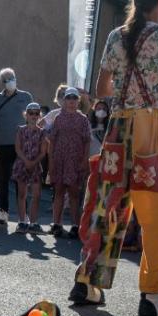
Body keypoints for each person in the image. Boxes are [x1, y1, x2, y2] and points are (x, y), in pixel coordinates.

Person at [70, 0, 158, 316]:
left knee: (109, 204)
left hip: (118, 127)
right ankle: (153, 295)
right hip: (152, 127)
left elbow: (102, 88)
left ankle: (88, 281)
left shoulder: (116, 36)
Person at [0, 68, 33, 225]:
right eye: (6, 80)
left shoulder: (26, 97)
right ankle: (3, 213)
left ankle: (23, 215)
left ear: (16, 78)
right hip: (2, 145)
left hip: (22, 145)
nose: (9, 81)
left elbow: (33, 120)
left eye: (11, 78)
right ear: (2, 83)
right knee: (3, 180)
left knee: (21, 181)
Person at [49, 88, 91, 238]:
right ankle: (56, 224)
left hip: (75, 161)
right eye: (68, 98)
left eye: (74, 99)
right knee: (59, 192)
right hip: (60, 160)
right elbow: (52, 141)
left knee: (74, 194)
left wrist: (84, 161)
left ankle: (75, 226)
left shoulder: (83, 119)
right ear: (64, 101)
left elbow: (87, 141)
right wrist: (51, 162)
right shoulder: (59, 118)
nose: (71, 102)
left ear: (78, 101)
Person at [12, 102, 47, 232]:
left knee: (36, 195)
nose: (33, 115)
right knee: (22, 193)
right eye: (31, 113)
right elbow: (18, 148)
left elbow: (43, 151)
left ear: (39, 116)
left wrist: (33, 162)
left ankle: (33, 222)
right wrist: (26, 161)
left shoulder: (43, 132)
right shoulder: (20, 130)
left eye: (36, 113)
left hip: (36, 166)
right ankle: (22, 221)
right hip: (22, 164)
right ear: (26, 115)